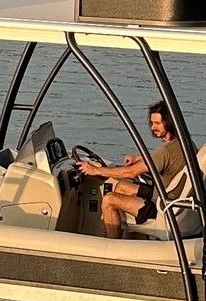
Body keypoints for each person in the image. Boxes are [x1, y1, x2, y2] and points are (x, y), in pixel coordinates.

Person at [77, 100, 189, 239]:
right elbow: (163, 161)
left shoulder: (164, 152)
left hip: (161, 207)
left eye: (157, 123)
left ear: (170, 122)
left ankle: (112, 245)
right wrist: (139, 158)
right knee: (122, 186)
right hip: (171, 198)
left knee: (109, 199)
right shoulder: (183, 144)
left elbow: (130, 172)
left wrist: (97, 170)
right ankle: (126, 238)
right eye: (152, 123)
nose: (153, 127)